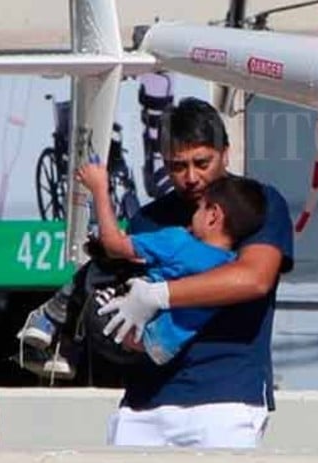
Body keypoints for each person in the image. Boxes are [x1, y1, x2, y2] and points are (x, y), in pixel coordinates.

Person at [78, 98, 292, 448]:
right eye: (177, 166)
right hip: (145, 401)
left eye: (202, 162)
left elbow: (254, 279)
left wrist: (159, 295)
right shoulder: (150, 219)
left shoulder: (255, 204)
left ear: (226, 152)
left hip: (227, 398)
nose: (191, 177)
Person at [75, 162, 268, 365]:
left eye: (199, 208)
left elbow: (113, 245)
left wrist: (99, 188)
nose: (194, 214)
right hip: (162, 348)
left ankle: (56, 324)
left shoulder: (178, 241)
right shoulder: (230, 266)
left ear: (213, 216)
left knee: (96, 270)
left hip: (118, 328)